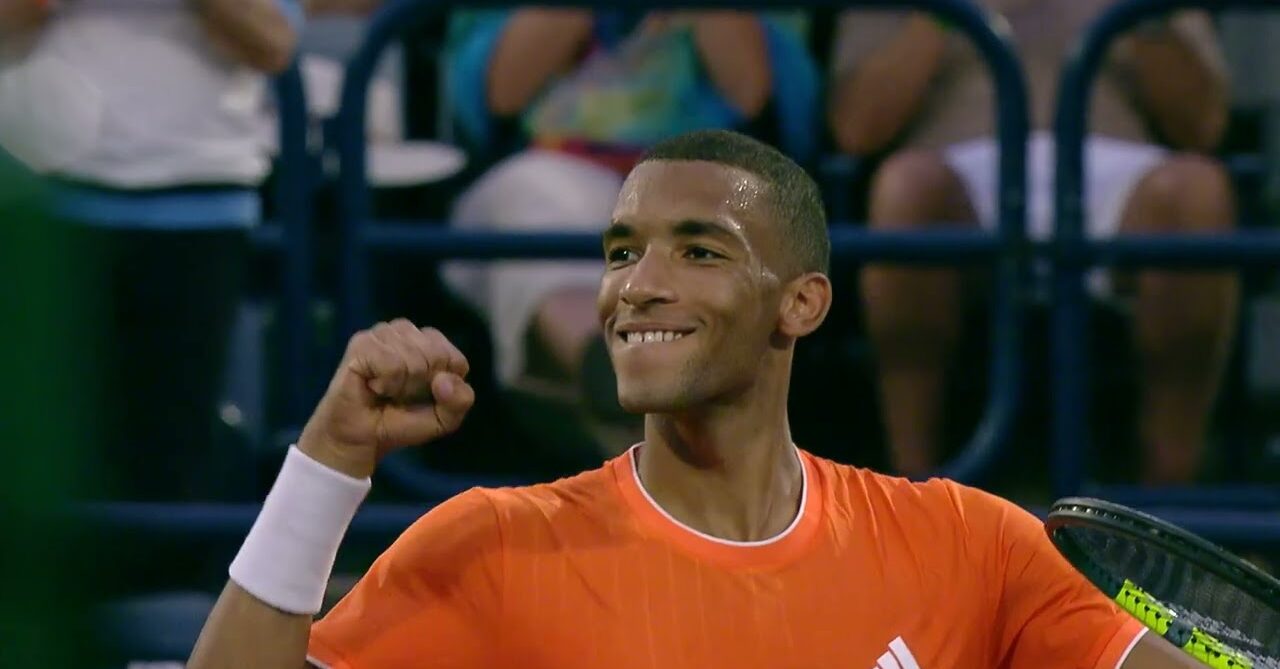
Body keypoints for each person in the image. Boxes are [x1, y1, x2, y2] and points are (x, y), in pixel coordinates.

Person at [188, 129, 1196, 669]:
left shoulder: (968, 547)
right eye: (622, 252)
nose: (637, 285)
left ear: (799, 304)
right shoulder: (494, 549)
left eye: (698, 251)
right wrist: (326, 463)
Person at [828, 1, 1237, 484]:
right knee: (906, 187)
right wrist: (951, 13)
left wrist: (1135, 16)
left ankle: (1169, 504)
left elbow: (1204, 125)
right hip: (960, 168)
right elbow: (856, 128)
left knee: (1197, 191)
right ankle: (914, 492)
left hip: (1119, 168)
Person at [440, 9, 817, 450]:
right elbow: (501, 92)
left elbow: (753, 91)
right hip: (554, 168)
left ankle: (637, 388)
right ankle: (608, 363)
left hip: (699, 171)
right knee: (527, 197)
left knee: (719, 222)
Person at [0, 0, 302, 501]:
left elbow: (273, 40)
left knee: (169, 461)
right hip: (45, 207)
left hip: (199, 204)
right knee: (38, 451)